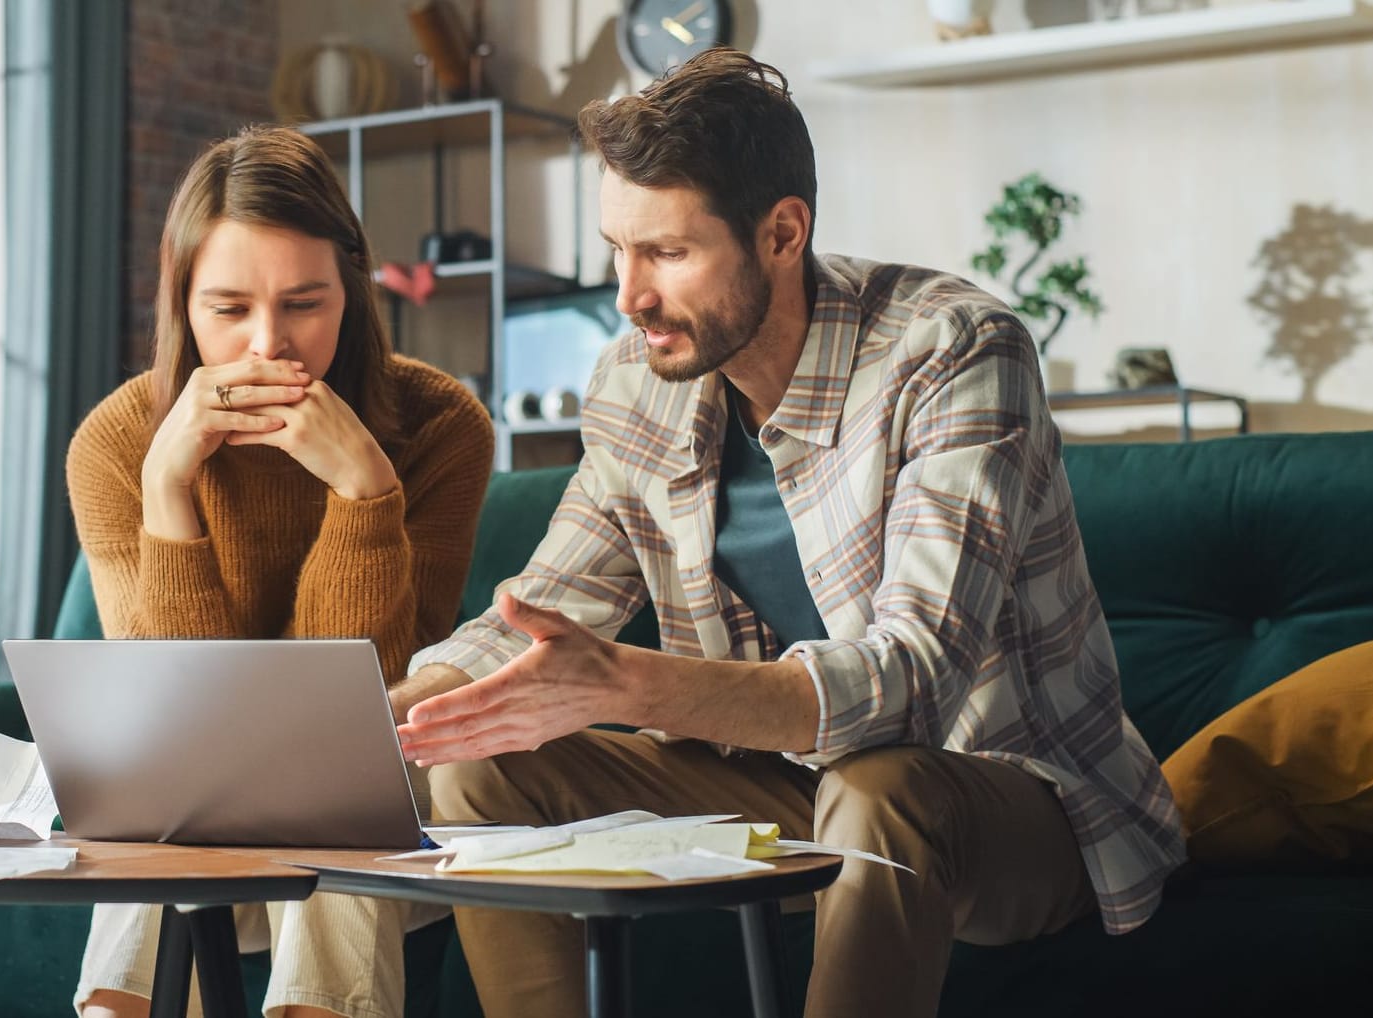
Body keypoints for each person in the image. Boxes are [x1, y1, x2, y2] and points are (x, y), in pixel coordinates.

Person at [390, 49, 1186, 1018]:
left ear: (781, 231)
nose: (628, 294)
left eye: (668, 253)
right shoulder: (636, 381)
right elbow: (544, 605)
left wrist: (631, 683)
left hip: (1008, 794)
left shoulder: (956, 352)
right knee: (477, 762)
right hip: (778, 787)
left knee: (878, 789)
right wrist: (405, 713)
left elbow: (916, 681)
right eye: (616, 248)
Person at [69, 125, 492, 1018]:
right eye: (228, 310)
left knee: (334, 770)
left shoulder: (441, 424)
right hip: (195, 797)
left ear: (353, 293)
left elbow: (373, 691)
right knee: (152, 791)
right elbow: (170, 707)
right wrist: (166, 483)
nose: (271, 346)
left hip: (382, 789)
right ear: (182, 305)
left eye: (306, 303)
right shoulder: (116, 442)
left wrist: (365, 486)